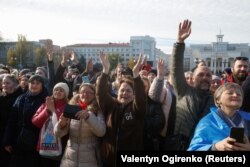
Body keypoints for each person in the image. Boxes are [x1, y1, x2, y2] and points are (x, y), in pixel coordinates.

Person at [169, 19, 214, 150]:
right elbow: (176, 68)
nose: (205, 78)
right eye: (201, 75)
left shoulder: (216, 100)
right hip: (180, 145)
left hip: (203, 147)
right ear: (193, 78)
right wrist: (179, 42)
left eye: (208, 75)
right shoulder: (184, 90)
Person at [96, 52, 146, 167]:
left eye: (128, 91)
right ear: (117, 92)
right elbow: (100, 93)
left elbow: (141, 98)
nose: (124, 93)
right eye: (122, 90)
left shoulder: (137, 109)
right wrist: (105, 71)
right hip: (108, 160)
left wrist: (136, 75)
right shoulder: (111, 104)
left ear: (134, 95)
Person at [54, 82, 106, 167]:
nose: (85, 94)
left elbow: (101, 132)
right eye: (83, 92)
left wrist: (89, 116)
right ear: (79, 94)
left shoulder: (98, 110)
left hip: (90, 159)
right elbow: (58, 134)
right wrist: (61, 125)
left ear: (94, 95)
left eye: (89, 92)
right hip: (69, 158)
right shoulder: (72, 107)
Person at [188, 83, 250, 151]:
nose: (235, 95)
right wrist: (215, 147)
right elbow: (193, 149)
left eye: (239, 94)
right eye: (230, 93)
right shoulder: (207, 122)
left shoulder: (248, 119)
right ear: (218, 99)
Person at [3, 75, 48, 167]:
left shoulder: (46, 100)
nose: (34, 85)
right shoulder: (21, 98)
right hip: (19, 141)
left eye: (37, 83)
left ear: (42, 85)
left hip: (38, 143)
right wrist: (7, 141)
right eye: (32, 82)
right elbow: (11, 121)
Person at [32, 82, 69, 167]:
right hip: (44, 143)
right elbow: (35, 122)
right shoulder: (45, 104)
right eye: (56, 90)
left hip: (60, 144)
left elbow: (64, 126)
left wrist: (54, 112)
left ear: (66, 94)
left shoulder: (68, 106)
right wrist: (47, 111)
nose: (58, 92)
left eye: (61, 90)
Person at [0, 74, 23, 167]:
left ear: (15, 84)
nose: (4, 85)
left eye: (7, 83)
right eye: (3, 83)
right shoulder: (2, 97)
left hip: (13, 139)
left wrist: (7, 141)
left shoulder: (20, 98)